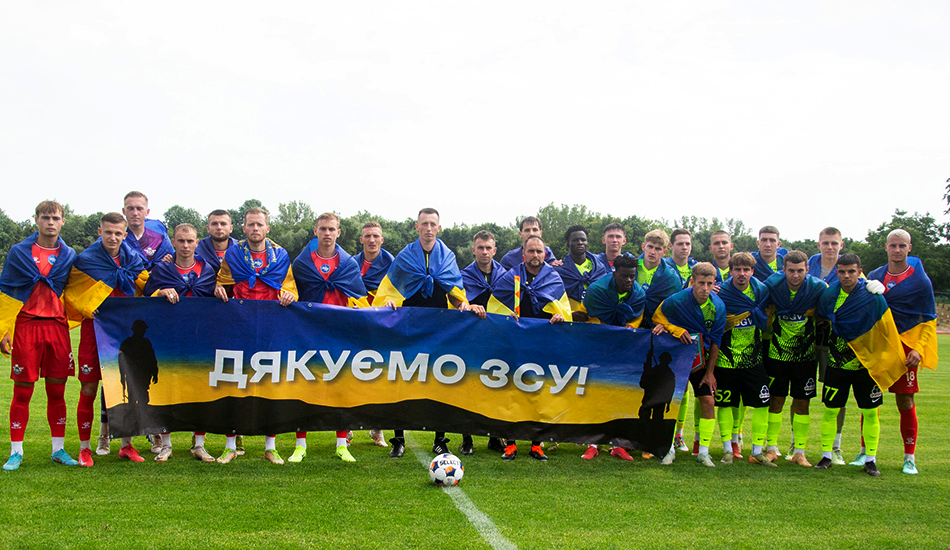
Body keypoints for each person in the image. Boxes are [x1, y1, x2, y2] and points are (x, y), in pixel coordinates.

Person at [375, 208, 478, 458]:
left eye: (433, 224)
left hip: (439, 328)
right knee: (402, 382)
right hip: (408, 327)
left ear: (438, 228)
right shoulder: (405, 256)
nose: (429, 228)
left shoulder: (447, 256)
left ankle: (440, 440)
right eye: (424, 224)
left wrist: (463, 304)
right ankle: (398, 439)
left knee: (440, 383)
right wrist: (389, 302)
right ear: (417, 227)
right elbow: (390, 288)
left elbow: (455, 290)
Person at [63, 212, 150, 465]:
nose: (113, 237)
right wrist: (85, 306)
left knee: (125, 388)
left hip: (123, 332)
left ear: (125, 234)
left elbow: (146, 286)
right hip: (94, 331)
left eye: (118, 233)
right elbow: (72, 292)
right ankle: (84, 448)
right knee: (89, 389)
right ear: (99, 232)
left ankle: (126, 445)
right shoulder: (86, 260)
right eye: (108, 232)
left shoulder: (133, 259)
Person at [214, 207, 298, 464]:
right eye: (251, 224)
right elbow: (221, 283)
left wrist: (289, 295)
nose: (255, 229)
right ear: (244, 228)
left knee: (270, 386)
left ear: (267, 228)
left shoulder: (280, 255)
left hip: (271, 328)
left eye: (259, 224)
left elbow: (290, 289)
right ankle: (230, 445)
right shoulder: (233, 254)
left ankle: (270, 446)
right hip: (239, 326)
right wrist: (218, 289)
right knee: (234, 384)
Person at [1, 201, 78, 471]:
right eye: (45, 217)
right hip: (26, 326)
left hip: (57, 327)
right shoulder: (19, 252)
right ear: (36, 219)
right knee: (23, 391)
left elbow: (79, 285)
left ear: (63, 221)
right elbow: (6, 290)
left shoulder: (69, 255)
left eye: (55, 218)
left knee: (57, 391)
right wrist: (4, 328)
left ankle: (58, 449)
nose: (50, 222)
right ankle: (16, 452)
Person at [814, 254, 903, 477]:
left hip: (866, 366)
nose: (846, 276)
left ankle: (871, 460)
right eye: (842, 271)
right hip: (837, 364)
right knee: (830, 411)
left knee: (871, 413)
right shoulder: (829, 296)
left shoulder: (873, 296)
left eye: (851, 271)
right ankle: (826, 455)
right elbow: (822, 319)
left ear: (859, 271)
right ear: (837, 272)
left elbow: (884, 328)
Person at [291, 212, 369, 463]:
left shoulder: (348, 264)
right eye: (323, 228)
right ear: (315, 231)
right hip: (308, 332)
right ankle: (300, 445)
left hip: (339, 332)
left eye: (331, 229)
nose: (327, 233)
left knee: (340, 387)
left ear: (339, 232)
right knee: (304, 386)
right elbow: (292, 292)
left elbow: (359, 297)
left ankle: (342, 444)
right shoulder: (302, 263)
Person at [488, 235, 571, 461]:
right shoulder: (511, 276)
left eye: (539, 251)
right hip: (515, 343)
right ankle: (510, 444)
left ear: (545, 254)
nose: (535, 255)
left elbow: (564, 310)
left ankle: (536, 444)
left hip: (542, 344)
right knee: (512, 392)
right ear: (523, 253)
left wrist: (559, 316)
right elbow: (495, 307)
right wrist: (507, 317)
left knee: (539, 393)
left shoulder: (552, 278)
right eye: (531, 251)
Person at [144, 223, 218, 462]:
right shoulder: (162, 269)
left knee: (201, 389)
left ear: (197, 242)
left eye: (190, 241)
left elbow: (212, 298)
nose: (185, 245)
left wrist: (218, 290)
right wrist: (160, 293)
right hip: (169, 338)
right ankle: (166, 444)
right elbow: (145, 298)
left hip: (200, 339)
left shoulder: (207, 270)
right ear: (173, 242)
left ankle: (199, 444)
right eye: (181, 241)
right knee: (168, 389)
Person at [867, 229, 938, 475]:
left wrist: (919, 348)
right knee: (870, 399)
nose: (897, 250)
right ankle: (866, 453)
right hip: (879, 345)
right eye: (893, 245)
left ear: (910, 248)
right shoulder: (875, 275)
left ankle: (909, 457)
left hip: (906, 346)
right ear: (886, 247)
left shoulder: (920, 281)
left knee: (905, 400)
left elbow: (929, 318)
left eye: (902, 245)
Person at [651, 262, 725, 467]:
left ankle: (704, 453)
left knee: (708, 401)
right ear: (692, 281)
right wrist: (674, 329)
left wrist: (710, 373)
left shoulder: (718, 306)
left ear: (715, 283)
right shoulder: (676, 300)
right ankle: (668, 449)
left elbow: (716, 341)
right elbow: (657, 318)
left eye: (709, 284)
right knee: (672, 401)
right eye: (701, 283)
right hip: (677, 359)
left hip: (701, 361)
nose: (705, 288)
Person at [762, 250, 827, 468]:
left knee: (802, 402)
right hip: (777, 355)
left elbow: (839, 294)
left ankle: (800, 452)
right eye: (791, 270)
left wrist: (867, 284)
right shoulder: (772, 285)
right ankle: (771, 448)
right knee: (776, 400)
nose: (795, 275)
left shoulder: (818, 288)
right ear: (784, 269)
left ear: (807, 270)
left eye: (800, 271)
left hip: (805, 356)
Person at [580, 255, 646, 461]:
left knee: (621, 394)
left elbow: (637, 317)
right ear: (614, 273)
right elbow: (590, 316)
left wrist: (630, 328)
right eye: (625, 276)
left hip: (624, 350)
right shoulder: (597, 290)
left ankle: (618, 444)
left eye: (632, 276)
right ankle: (592, 444)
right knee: (596, 393)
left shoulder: (639, 293)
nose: (629, 280)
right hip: (598, 347)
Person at [713, 253, 774, 466]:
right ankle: (727, 450)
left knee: (762, 403)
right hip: (725, 360)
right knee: (725, 404)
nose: (742, 274)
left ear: (752, 271)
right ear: (730, 271)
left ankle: (757, 451)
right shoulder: (720, 292)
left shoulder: (762, 291)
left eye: (746, 269)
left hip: (753, 360)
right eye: (737, 269)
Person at [459, 230, 506, 455]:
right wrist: (468, 305)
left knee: (495, 387)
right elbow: (456, 302)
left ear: (494, 250)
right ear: (473, 250)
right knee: (467, 387)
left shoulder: (506, 276)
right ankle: (466, 439)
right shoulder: (462, 276)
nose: (484, 252)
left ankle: (494, 438)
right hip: (470, 339)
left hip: (496, 340)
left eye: (488, 248)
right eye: (480, 248)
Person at [804, 227, 845, 462]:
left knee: (836, 394)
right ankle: (795, 445)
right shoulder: (810, 264)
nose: (830, 247)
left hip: (835, 341)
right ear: (819, 244)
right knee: (801, 394)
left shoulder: (848, 267)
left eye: (834, 243)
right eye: (826, 243)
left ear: (841, 245)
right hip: (808, 338)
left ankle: (835, 447)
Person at [554, 225, 607, 323]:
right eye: (575, 240)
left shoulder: (599, 269)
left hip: (596, 322)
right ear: (568, 244)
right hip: (571, 322)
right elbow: (555, 299)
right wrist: (570, 314)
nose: (580, 242)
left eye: (583, 240)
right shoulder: (560, 271)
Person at [637, 229, 683, 329]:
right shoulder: (631, 268)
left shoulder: (671, 277)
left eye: (658, 249)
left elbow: (675, 306)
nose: (652, 252)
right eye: (650, 247)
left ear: (664, 252)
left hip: (656, 327)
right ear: (643, 246)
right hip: (629, 323)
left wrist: (665, 324)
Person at [121, 191, 173, 270]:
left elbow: (173, 260)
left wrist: (163, 264)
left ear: (147, 212)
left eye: (139, 209)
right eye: (130, 208)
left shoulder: (159, 235)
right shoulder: (116, 239)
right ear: (124, 211)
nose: (135, 213)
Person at [354, 221, 394, 307]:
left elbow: (396, 292)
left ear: (382, 240)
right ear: (361, 240)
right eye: (367, 236)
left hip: (381, 311)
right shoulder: (352, 264)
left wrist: (391, 301)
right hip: (356, 310)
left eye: (376, 236)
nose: (372, 240)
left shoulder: (391, 264)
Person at [195, 209, 237, 275]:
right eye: (214, 224)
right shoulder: (196, 251)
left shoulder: (242, 250)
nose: (219, 227)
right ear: (208, 228)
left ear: (231, 228)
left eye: (223, 224)